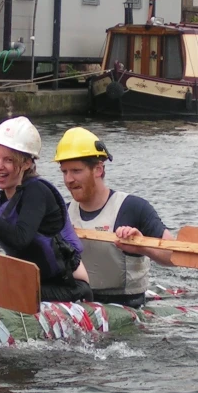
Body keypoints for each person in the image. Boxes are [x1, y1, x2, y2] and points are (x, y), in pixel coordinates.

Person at [0, 117, 92, 303]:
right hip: (36, 282)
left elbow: (19, 239)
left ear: (27, 163)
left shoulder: (36, 191)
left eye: (8, 160)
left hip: (70, 287)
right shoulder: (2, 198)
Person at [54, 127, 174, 308]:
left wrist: (143, 246)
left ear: (98, 169)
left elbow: (173, 257)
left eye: (76, 171)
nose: (69, 179)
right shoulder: (62, 214)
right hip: (82, 304)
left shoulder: (133, 207)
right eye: (64, 172)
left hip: (129, 306)